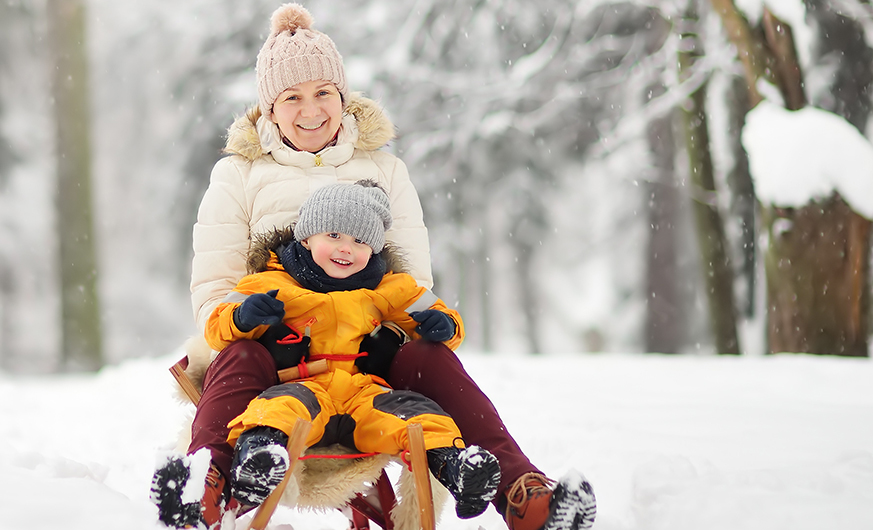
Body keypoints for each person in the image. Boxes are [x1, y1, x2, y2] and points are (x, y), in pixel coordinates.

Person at [160, 4, 596, 530]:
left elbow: (413, 281)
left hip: (368, 356)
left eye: (323, 93)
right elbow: (214, 289)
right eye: (291, 97)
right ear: (269, 110)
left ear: (343, 99)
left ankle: (523, 493)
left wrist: (398, 330)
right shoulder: (238, 175)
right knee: (238, 353)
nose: (310, 110)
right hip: (275, 358)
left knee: (431, 358)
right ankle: (203, 484)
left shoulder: (385, 169)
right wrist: (255, 321)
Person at [154, 181, 502, 528]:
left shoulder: (391, 287)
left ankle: (458, 469)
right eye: (333, 235)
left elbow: (444, 317)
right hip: (304, 387)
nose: (346, 248)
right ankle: (258, 463)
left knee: (419, 416)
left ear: (374, 250)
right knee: (276, 410)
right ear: (306, 237)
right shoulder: (271, 282)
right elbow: (217, 328)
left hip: (365, 393)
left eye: (360, 241)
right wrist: (243, 317)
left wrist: (445, 325)